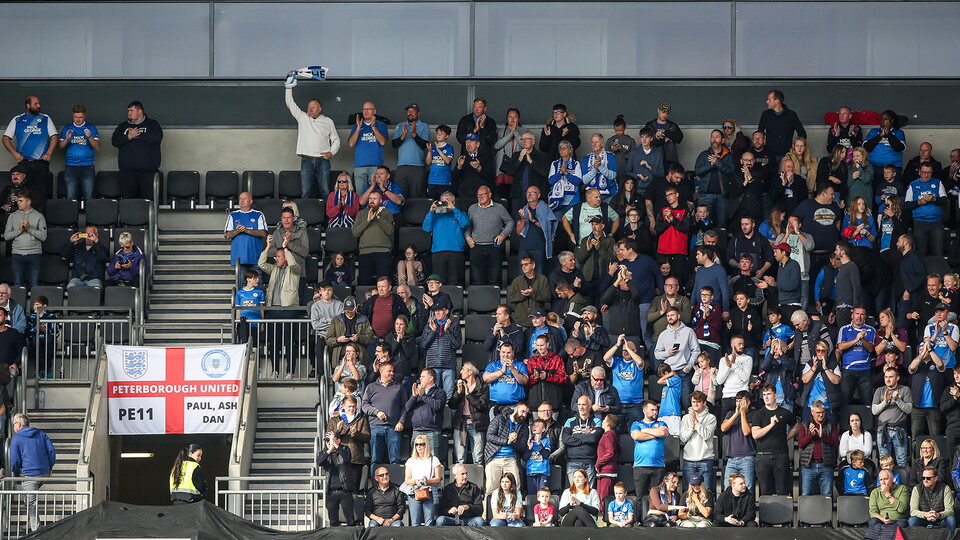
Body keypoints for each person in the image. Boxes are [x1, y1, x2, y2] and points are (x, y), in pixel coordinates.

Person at [284, 79, 339, 199]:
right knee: (306, 192)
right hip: (306, 160)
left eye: (313, 107)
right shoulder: (302, 118)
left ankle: (327, 217)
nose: (310, 110)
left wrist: (331, 153)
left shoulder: (328, 121)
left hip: (322, 160)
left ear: (320, 108)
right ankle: (305, 217)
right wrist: (289, 86)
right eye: (309, 107)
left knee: (325, 192)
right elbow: (290, 103)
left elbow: (336, 140)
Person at [3, 96, 57, 198]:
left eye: (39, 104)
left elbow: (54, 136)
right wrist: (15, 154)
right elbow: (5, 138)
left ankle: (40, 214)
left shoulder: (45, 118)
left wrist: (49, 153)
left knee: (41, 193)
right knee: (24, 193)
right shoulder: (17, 119)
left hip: (41, 163)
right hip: (24, 163)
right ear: (28, 106)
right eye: (35, 104)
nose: (39, 106)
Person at [752, 385, 798, 496]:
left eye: (769, 394)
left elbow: (796, 426)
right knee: (765, 491)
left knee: (782, 490)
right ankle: (766, 514)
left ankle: (782, 513)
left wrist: (786, 438)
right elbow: (755, 434)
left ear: (775, 395)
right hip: (763, 455)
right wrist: (771, 425)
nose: (766, 397)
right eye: (764, 395)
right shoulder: (758, 414)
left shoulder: (784, 412)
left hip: (780, 455)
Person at [111, 101, 162, 199]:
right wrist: (128, 136)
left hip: (148, 173)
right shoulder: (123, 126)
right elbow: (115, 142)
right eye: (128, 111)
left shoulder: (152, 124)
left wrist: (138, 135)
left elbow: (157, 138)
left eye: (131, 110)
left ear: (139, 111)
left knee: (148, 203)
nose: (128, 113)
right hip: (127, 173)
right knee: (128, 203)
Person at [362, 363, 409, 464]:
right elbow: (364, 405)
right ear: (381, 371)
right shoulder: (371, 387)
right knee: (375, 459)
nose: (392, 373)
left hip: (394, 427)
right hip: (375, 426)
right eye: (389, 371)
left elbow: (405, 407)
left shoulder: (399, 387)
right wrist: (376, 412)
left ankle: (395, 479)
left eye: (393, 371)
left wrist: (401, 422)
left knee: (395, 460)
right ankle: (376, 479)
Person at [653, 307, 700, 408]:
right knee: (671, 404)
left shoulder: (688, 331)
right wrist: (668, 353)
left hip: (684, 372)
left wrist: (689, 366)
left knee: (687, 402)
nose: (670, 317)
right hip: (669, 373)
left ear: (678, 316)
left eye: (672, 315)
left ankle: (689, 423)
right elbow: (657, 354)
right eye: (668, 316)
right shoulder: (663, 334)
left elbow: (696, 351)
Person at [465, 185, 512, 286]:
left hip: (493, 246)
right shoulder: (472, 208)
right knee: (477, 280)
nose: (480, 197)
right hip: (476, 246)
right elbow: (467, 226)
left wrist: (502, 235)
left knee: (494, 280)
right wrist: (467, 236)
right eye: (478, 195)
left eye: (483, 194)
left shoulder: (499, 208)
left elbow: (510, 222)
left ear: (490, 194)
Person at [483, 401, 530, 496]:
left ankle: (516, 510)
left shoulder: (524, 427)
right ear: (515, 409)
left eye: (526, 413)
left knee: (516, 488)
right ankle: (488, 511)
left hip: (511, 459)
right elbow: (489, 436)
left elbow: (521, 447)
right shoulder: (500, 419)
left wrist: (514, 441)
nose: (524, 415)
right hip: (494, 457)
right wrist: (507, 441)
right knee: (491, 489)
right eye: (523, 411)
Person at [448, 362, 490, 465]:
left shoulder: (483, 387)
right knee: (460, 459)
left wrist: (468, 394)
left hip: (477, 425)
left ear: (470, 372)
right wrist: (458, 392)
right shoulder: (460, 385)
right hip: (461, 424)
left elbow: (482, 406)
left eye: (463, 369)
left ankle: (478, 481)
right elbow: (452, 405)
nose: (461, 371)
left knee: (478, 458)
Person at [422, 192, 469, 285]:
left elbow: (464, 223)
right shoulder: (435, 215)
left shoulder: (459, 214)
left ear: (453, 202)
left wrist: (454, 209)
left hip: (456, 251)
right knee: (439, 283)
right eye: (443, 202)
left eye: (448, 202)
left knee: (456, 282)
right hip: (438, 252)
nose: (445, 204)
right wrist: (431, 211)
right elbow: (426, 228)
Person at [904, 162, 949, 257]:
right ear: (919, 172)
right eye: (924, 172)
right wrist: (918, 202)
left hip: (936, 223)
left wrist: (934, 199)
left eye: (929, 172)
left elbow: (945, 201)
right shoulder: (913, 184)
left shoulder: (937, 183)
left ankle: (939, 272)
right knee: (921, 253)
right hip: (919, 223)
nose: (926, 175)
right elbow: (906, 205)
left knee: (938, 252)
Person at [3, 191, 46, 288]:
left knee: (34, 284)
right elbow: (6, 236)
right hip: (17, 253)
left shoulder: (39, 216)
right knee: (17, 283)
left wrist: (29, 229)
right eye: (18, 201)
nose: (18, 203)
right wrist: (19, 231)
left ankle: (35, 303)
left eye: (21, 201)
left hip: (35, 253)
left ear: (28, 202)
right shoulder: (12, 216)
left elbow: (43, 236)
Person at [872, 367, 913, 467]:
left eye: (891, 377)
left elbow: (908, 410)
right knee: (884, 461)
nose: (888, 379)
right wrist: (885, 402)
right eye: (886, 377)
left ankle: (903, 482)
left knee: (902, 460)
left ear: (897, 378)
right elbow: (874, 411)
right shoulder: (879, 390)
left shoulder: (905, 390)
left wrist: (898, 400)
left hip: (899, 430)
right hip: (883, 430)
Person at [352, 191, 395, 286]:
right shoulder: (361, 213)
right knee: (364, 281)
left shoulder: (387, 213)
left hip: (383, 251)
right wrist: (367, 220)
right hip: (365, 252)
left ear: (381, 201)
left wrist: (379, 216)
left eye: (375, 199)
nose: (371, 201)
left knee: (384, 281)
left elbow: (390, 230)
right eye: (370, 198)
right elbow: (355, 233)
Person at [797, 400, 840, 496]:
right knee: (806, 494)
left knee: (827, 495)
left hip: (826, 465)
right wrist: (810, 435)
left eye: (823, 412)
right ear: (812, 412)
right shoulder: (805, 424)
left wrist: (823, 436)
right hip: (809, 465)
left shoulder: (830, 424)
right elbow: (800, 444)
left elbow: (836, 443)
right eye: (818, 412)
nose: (821, 415)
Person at [57, 104, 99, 200]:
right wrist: (66, 139)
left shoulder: (90, 127)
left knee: (89, 197)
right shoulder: (67, 128)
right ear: (73, 116)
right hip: (71, 166)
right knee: (71, 197)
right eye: (76, 117)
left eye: (80, 117)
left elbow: (97, 147)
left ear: (85, 116)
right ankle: (71, 215)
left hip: (88, 166)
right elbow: (59, 147)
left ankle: (90, 215)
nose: (78, 120)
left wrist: (90, 137)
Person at [418, 304, 460, 400]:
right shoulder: (429, 326)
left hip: (448, 366)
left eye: (440, 310)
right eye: (435, 311)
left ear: (446, 311)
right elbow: (423, 345)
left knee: (448, 397)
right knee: (431, 395)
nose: (437, 313)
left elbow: (457, 345)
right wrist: (433, 331)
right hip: (432, 366)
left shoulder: (454, 325)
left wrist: (447, 330)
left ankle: (448, 415)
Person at [317, 430, 359, 526]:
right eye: (327, 441)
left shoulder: (345, 449)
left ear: (338, 440)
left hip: (345, 490)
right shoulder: (324, 452)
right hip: (330, 491)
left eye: (331, 440)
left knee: (350, 519)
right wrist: (329, 450)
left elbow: (347, 458)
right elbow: (319, 462)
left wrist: (336, 446)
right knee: (333, 520)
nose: (328, 443)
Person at [694, 129, 734, 226]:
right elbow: (697, 171)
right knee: (704, 225)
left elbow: (731, 172)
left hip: (723, 196)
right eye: (712, 137)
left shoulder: (728, 156)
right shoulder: (704, 155)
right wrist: (711, 165)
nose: (714, 139)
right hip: (705, 195)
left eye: (717, 137)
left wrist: (718, 163)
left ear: (722, 140)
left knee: (722, 225)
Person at [404, 369, 447, 460]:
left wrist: (423, 396)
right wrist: (414, 396)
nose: (420, 378)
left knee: (433, 460)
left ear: (431, 378)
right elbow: (407, 408)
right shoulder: (418, 393)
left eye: (423, 376)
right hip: (417, 431)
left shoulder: (440, 392)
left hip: (432, 431)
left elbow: (437, 406)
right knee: (415, 460)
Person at [680, 391, 717, 493]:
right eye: (693, 402)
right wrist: (691, 428)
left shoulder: (711, 418)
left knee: (707, 491)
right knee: (689, 492)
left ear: (704, 403)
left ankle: (707, 510)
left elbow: (706, 435)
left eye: (698, 402)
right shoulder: (686, 418)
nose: (696, 404)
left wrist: (696, 422)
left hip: (705, 459)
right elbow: (683, 438)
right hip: (689, 460)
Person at [631, 400, 669, 497]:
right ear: (644, 410)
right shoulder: (636, 424)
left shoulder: (661, 423)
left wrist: (645, 430)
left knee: (658, 497)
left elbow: (663, 433)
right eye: (652, 410)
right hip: (640, 466)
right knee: (640, 496)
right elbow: (636, 436)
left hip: (658, 466)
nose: (655, 412)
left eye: (656, 410)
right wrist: (655, 435)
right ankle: (640, 513)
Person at [403, 433, 443, 526]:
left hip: (429, 491)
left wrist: (427, 481)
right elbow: (407, 480)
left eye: (422, 444)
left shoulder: (434, 459)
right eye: (417, 444)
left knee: (429, 522)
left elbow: (438, 478)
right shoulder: (410, 460)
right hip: (414, 492)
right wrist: (415, 481)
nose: (419, 446)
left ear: (426, 445)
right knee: (415, 522)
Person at [347, 101, 387, 193]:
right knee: (361, 196)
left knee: (375, 194)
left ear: (374, 111)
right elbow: (351, 144)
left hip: (376, 165)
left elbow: (382, 142)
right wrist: (358, 128)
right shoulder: (356, 125)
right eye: (364, 109)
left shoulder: (381, 125)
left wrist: (373, 128)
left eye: (369, 109)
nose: (366, 111)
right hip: (359, 165)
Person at [225, 192, 268, 276]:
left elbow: (263, 233)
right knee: (241, 286)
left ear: (251, 201)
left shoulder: (258, 214)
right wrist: (237, 231)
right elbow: (228, 235)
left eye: (245, 198)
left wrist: (246, 230)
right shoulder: (233, 215)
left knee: (257, 285)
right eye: (240, 198)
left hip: (256, 258)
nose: (242, 200)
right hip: (239, 259)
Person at [515, 187, 558, 271]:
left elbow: (549, 228)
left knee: (539, 274)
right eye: (527, 193)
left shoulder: (545, 209)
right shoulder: (523, 210)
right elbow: (518, 232)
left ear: (538, 195)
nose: (529, 195)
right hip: (524, 246)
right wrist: (524, 220)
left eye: (532, 193)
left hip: (539, 246)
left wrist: (533, 220)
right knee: (523, 275)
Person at [392, 103, 429, 199]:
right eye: (408, 111)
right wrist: (403, 136)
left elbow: (424, 145)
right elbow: (394, 144)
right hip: (402, 166)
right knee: (399, 195)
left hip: (417, 166)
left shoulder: (424, 126)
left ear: (418, 113)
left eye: (413, 111)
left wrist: (414, 134)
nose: (410, 113)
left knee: (416, 196)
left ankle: (415, 215)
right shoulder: (401, 126)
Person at [562, 395, 602, 483]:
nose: (581, 407)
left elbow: (593, 438)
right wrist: (586, 437)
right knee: (574, 492)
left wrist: (575, 436)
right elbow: (565, 439)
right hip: (572, 461)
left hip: (589, 462)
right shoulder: (570, 421)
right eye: (579, 404)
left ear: (590, 406)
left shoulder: (597, 421)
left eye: (583, 404)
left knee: (588, 493)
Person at [757, 90, 805, 161]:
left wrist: (796, 146)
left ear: (777, 101)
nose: (767, 102)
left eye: (769, 100)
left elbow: (802, 134)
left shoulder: (791, 115)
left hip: (787, 155)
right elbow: (760, 132)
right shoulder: (765, 115)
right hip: (769, 155)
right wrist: (763, 141)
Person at [908, 466, 956, 531]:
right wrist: (925, 515)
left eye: (928, 478)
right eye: (923, 478)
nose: (925, 480)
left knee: (951, 519)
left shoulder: (945, 488)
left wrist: (938, 515)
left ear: (936, 478)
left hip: (940, 520)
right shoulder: (917, 489)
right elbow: (913, 511)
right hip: (923, 520)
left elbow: (950, 511)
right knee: (912, 520)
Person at [456, 98, 498, 164]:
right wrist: (475, 130)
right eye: (475, 107)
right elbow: (459, 138)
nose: (476, 110)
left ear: (485, 109)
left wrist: (483, 128)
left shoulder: (490, 121)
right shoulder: (465, 120)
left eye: (480, 107)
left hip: (485, 158)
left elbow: (492, 140)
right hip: (467, 156)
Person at [645, 103, 684, 170]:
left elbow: (679, 138)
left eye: (667, 113)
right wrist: (665, 140)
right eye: (663, 112)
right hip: (655, 160)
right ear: (658, 110)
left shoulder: (672, 126)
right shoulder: (650, 125)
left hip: (671, 160)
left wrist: (665, 132)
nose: (665, 115)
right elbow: (648, 142)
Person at [581, 133, 618, 202]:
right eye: (592, 142)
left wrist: (600, 166)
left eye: (596, 142)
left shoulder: (611, 156)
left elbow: (613, 176)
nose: (594, 144)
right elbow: (585, 180)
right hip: (592, 197)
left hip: (609, 194)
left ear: (602, 143)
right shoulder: (586, 159)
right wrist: (595, 169)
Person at [167, 442, 203, 507]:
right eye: (198, 455)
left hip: (176, 502)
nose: (200, 458)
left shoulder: (176, 466)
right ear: (190, 454)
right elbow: (200, 486)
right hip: (191, 502)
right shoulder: (194, 466)